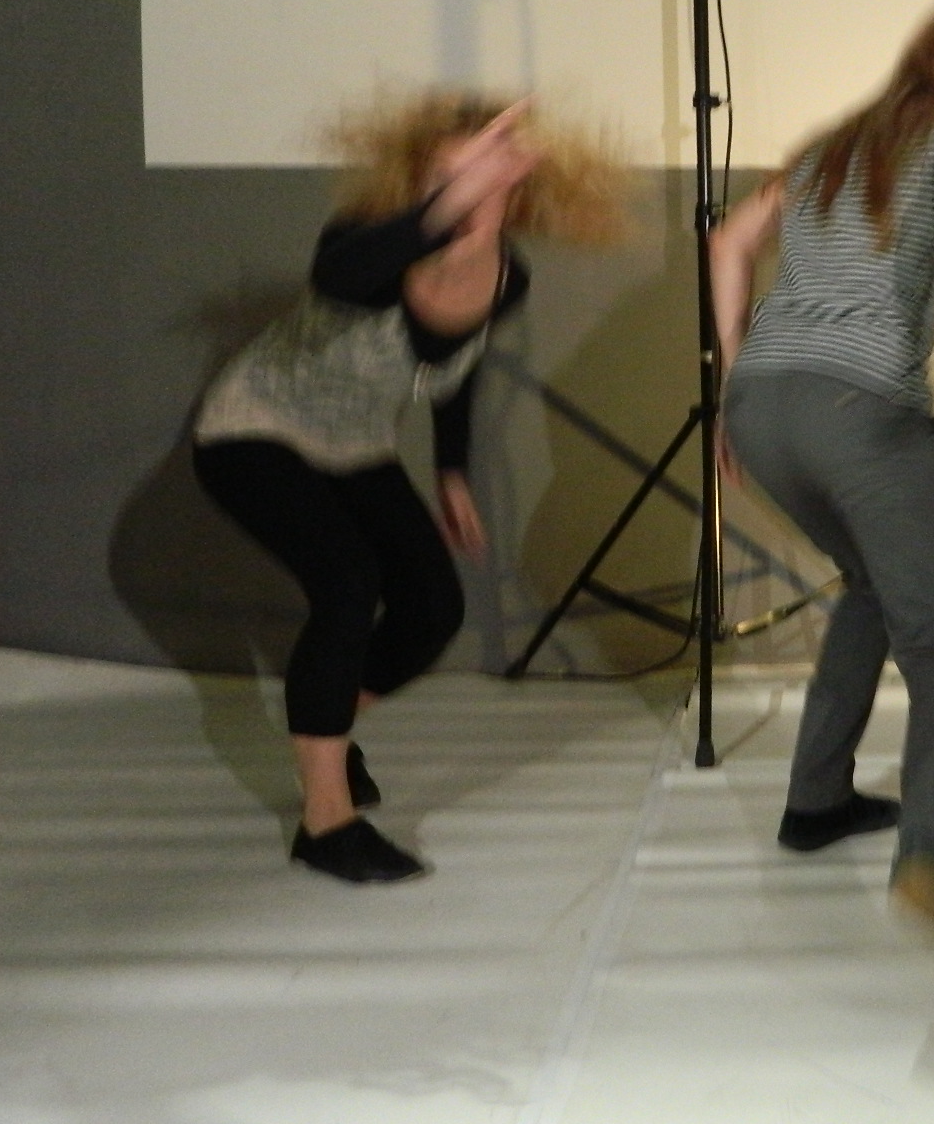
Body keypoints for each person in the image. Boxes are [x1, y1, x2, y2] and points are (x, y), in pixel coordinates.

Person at [710, 0, 934, 1002]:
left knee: (870, 585)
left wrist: (734, 377)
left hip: (763, 407)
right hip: (858, 407)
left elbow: (727, 245)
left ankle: (816, 799)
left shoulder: (829, 147)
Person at [192, 90, 628, 884]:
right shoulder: (364, 247)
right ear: (416, 188)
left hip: (354, 445)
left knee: (432, 608)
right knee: (347, 585)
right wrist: (455, 198)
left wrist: (451, 468)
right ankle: (326, 825)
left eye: (486, 175)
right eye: (444, 179)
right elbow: (335, 273)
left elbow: (457, 366)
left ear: (516, 187)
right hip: (252, 430)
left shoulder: (508, 276)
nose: (467, 191)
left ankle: (327, 734)